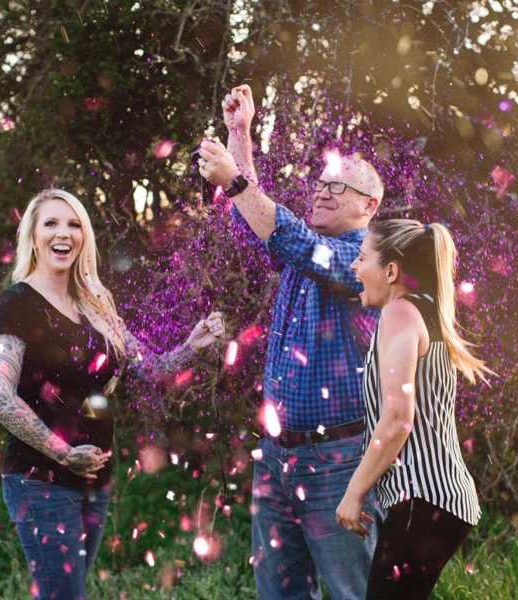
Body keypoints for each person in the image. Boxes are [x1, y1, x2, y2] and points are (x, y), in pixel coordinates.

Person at [0, 188, 225, 600]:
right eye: (52, 224)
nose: (65, 233)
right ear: (34, 236)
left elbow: (149, 366)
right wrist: (61, 452)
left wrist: (191, 345)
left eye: (74, 224)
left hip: (94, 479)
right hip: (41, 480)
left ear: (85, 236)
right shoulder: (17, 303)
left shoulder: (95, 303)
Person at [197, 85, 385, 599]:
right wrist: (241, 134)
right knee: (279, 593)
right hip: (278, 457)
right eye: (320, 184)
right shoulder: (304, 249)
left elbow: (289, 235)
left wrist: (235, 180)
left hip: (340, 460)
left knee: (353, 592)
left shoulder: (361, 262)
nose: (322, 192)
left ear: (368, 206)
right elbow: (262, 220)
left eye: (337, 188)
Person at [337, 218, 493, 599]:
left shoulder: (399, 313)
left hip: (424, 501)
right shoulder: (424, 310)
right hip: (438, 501)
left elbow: (397, 419)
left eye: (361, 258)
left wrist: (354, 492)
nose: (354, 268)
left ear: (390, 271)